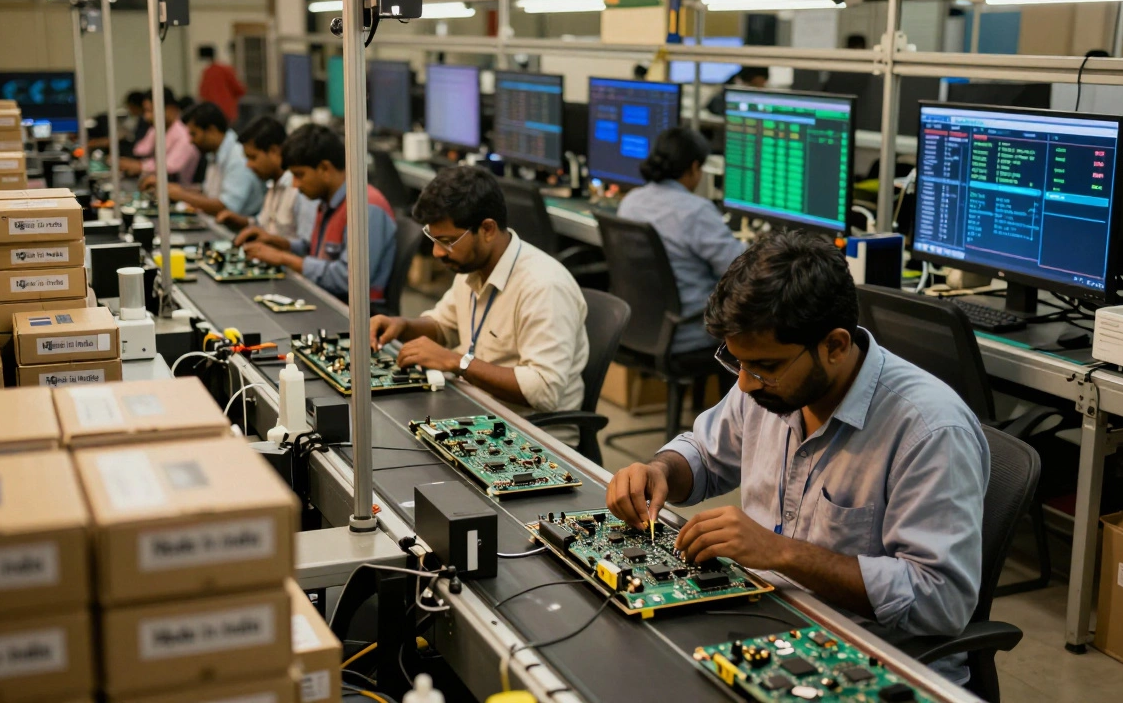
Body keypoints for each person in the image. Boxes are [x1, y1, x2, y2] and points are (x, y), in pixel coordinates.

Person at [606, 232, 989, 683]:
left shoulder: (929, 430)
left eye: (764, 368)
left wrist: (781, 553)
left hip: (867, 665)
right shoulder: (770, 384)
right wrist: (659, 470)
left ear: (835, 346)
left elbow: (938, 601)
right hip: (763, 622)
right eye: (738, 365)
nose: (745, 386)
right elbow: (706, 456)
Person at [368, 166, 588, 417]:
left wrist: (457, 362)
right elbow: (444, 325)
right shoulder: (472, 267)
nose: (437, 253)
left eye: (448, 242)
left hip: (531, 434)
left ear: (487, 229)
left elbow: (544, 391)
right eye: (434, 239)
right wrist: (403, 326)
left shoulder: (544, 286)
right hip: (476, 408)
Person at [232, 124, 396, 302]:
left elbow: (348, 279)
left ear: (325, 169)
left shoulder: (365, 208)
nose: (295, 185)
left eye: (299, 175)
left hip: (357, 315)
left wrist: (284, 259)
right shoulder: (328, 201)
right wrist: (276, 242)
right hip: (326, 298)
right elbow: (315, 251)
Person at [617, 127, 746, 353]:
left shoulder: (631, 202)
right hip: (688, 332)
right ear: (695, 167)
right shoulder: (696, 212)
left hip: (640, 328)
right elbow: (740, 270)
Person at [144, 101, 264, 220]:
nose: (191, 141)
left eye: (194, 134)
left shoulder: (238, 157)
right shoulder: (216, 154)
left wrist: (181, 195)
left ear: (212, 130)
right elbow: (209, 193)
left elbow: (226, 207)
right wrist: (176, 189)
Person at [219, 116, 315, 240]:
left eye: (252, 158)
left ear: (274, 151)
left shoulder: (299, 189)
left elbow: (306, 246)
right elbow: (264, 226)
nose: (248, 165)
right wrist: (241, 221)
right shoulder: (272, 183)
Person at [120, 88, 199, 185]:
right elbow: (140, 150)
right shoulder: (157, 129)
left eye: (150, 111)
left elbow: (171, 167)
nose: (146, 117)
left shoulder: (184, 135)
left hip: (177, 191)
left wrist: (140, 166)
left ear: (170, 109)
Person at [197, 44, 246, 124]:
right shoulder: (226, 69)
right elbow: (239, 89)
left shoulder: (206, 72)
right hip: (227, 112)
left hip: (211, 114)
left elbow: (202, 94)